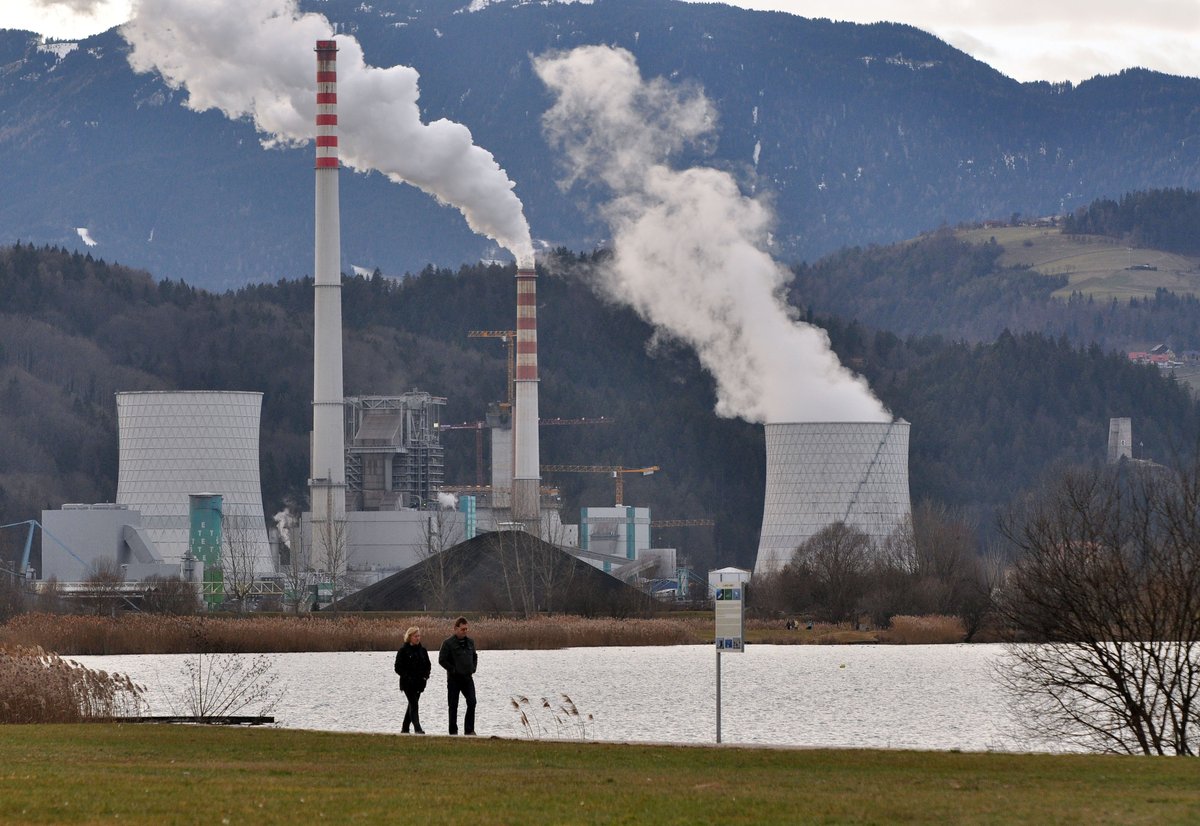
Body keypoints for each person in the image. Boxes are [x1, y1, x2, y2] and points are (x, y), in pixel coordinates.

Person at [438, 616, 478, 735]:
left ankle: (469, 730)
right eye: (462, 629)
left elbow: (475, 656)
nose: (465, 631)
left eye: (466, 629)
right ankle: (453, 731)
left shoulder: (470, 642)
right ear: (456, 628)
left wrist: (473, 667)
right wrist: (453, 670)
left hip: (467, 678)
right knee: (453, 706)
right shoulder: (448, 643)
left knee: (472, 702)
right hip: (454, 679)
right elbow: (442, 660)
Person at [394, 626, 431, 734]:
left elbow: (428, 665)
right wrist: (407, 677)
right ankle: (417, 728)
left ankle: (405, 728)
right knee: (414, 704)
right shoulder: (403, 651)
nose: (418, 638)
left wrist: (425, 677)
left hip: (420, 683)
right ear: (409, 637)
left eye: (419, 636)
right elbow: (397, 668)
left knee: (411, 705)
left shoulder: (423, 651)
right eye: (415, 636)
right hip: (407, 684)